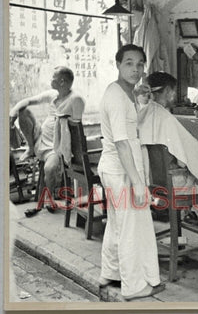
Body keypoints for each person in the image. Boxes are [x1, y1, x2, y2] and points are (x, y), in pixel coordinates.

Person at [97, 44, 164, 300]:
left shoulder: (124, 93)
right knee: (129, 228)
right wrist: (138, 183)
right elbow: (122, 142)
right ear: (117, 65)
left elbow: (130, 126)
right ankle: (134, 286)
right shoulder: (116, 97)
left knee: (118, 224)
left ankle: (110, 272)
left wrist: (140, 98)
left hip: (118, 169)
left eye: (139, 64)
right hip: (121, 171)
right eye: (129, 63)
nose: (135, 69)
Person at [137, 72, 198, 231]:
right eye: (173, 90)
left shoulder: (143, 114)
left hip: (152, 181)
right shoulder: (165, 118)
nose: (175, 94)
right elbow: (183, 162)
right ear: (168, 91)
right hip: (173, 184)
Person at [9, 66, 85, 203]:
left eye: (53, 77)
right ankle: (31, 148)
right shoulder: (52, 94)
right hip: (40, 137)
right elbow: (27, 101)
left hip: (55, 148)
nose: (51, 80)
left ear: (62, 81)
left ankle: (49, 198)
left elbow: (76, 130)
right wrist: (14, 112)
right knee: (23, 111)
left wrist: (71, 154)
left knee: (49, 169)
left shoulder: (75, 99)